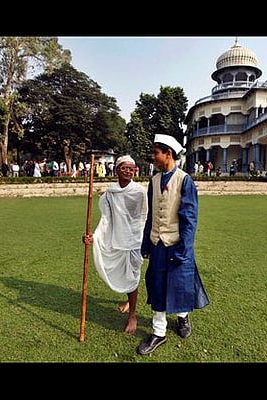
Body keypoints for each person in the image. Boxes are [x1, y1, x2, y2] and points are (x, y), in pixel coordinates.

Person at [137, 134, 210, 356]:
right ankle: (159, 333)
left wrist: (185, 249)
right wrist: (146, 242)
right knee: (157, 286)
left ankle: (182, 317)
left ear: (168, 153)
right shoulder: (154, 181)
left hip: (178, 244)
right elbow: (150, 215)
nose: (153, 157)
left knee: (180, 285)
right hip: (158, 243)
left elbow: (190, 219)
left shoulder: (185, 180)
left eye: (156, 152)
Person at [82, 155, 148, 334]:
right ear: (116, 170)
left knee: (132, 277)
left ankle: (132, 315)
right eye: (123, 168)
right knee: (126, 276)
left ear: (135, 171)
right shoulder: (110, 194)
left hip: (135, 240)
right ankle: (130, 301)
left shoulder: (140, 191)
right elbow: (106, 219)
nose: (127, 171)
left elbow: (144, 216)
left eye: (131, 168)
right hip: (116, 239)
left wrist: (144, 240)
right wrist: (93, 237)